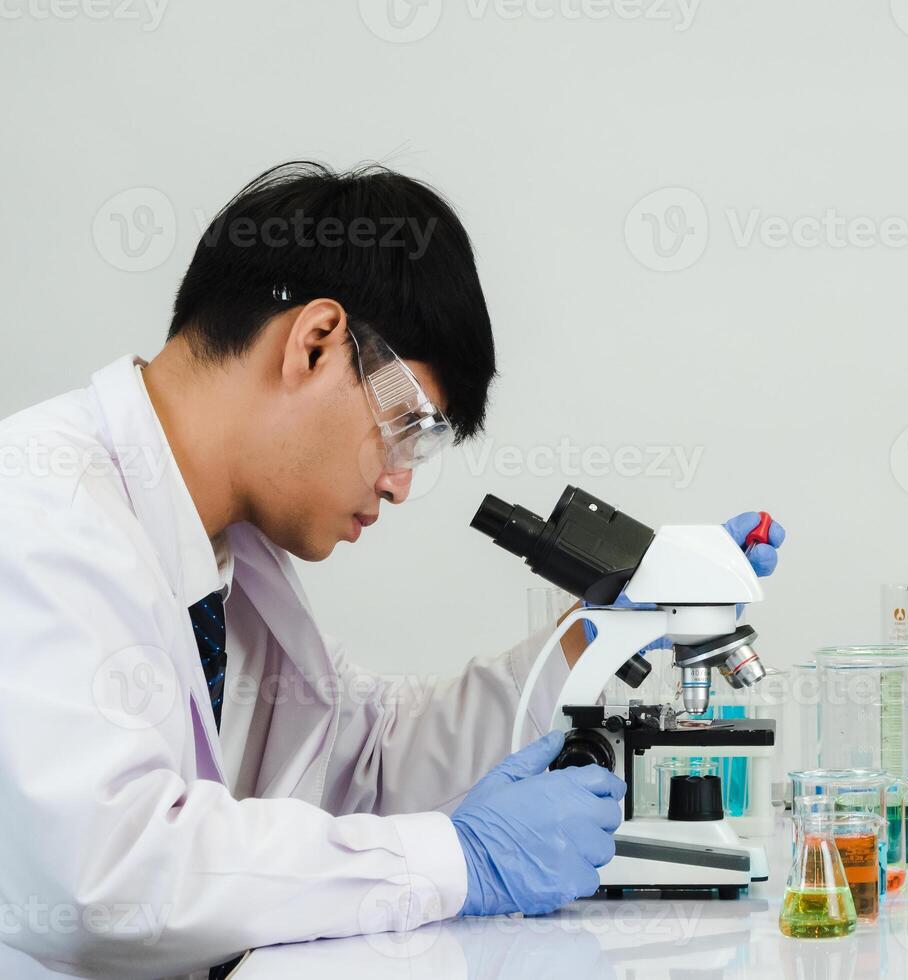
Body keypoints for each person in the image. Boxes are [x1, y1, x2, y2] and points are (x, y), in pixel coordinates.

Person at [0, 162, 785, 978]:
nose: (399, 483)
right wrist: (458, 860)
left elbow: (369, 760)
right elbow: (105, 875)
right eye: (406, 425)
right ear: (314, 343)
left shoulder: (230, 557)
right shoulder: (37, 507)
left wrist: (591, 635)